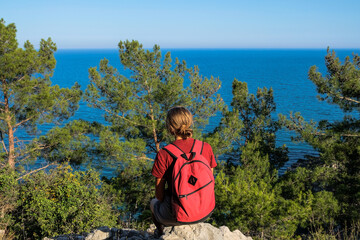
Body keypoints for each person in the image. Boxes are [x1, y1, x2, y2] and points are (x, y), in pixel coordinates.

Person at [150, 106, 217, 236]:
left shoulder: (164, 154)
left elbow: (159, 195)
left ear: (170, 127)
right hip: (206, 211)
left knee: (153, 203)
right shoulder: (205, 147)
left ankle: (160, 233)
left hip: (177, 215)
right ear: (190, 123)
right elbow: (210, 180)